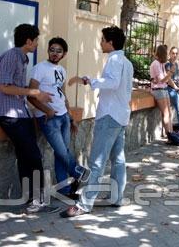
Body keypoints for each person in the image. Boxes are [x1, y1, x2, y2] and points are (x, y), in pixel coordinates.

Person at [61, 26, 134, 218]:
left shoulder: (115, 60)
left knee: (97, 161)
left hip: (110, 116)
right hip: (120, 116)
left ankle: (85, 203)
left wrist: (88, 80)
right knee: (118, 160)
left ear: (110, 42)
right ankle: (116, 197)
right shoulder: (125, 61)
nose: (100, 43)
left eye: (102, 40)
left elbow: (112, 82)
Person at [0, 23, 56, 214]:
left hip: (21, 113)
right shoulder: (12, 56)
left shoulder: (22, 59)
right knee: (33, 156)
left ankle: (32, 200)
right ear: (28, 41)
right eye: (36, 40)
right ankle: (38, 200)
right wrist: (35, 92)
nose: (37, 44)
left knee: (25, 156)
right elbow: (4, 87)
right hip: (10, 115)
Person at [28, 37, 89, 201]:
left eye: (59, 51)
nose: (55, 53)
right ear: (48, 50)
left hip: (63, 117)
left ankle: (64, 190)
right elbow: (31, 95)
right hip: (49, 118)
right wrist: (47, 111)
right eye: (52, 50)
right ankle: (79, 172)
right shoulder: (39, 68)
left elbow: (63, 95)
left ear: (64, 54)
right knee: (63, 152)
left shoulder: (62, 70)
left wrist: (70, 117)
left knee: (60, 154)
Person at [149, 45, 174, 136]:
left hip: (163, 88)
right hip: (158, 90)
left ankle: (170, 133)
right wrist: (170, 73)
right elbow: (161, 80)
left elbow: (165, 80)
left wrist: (168, 75)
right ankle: (170, 135)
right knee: (166, 113)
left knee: (169, 113)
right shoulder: (155, 63)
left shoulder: (161, 64)